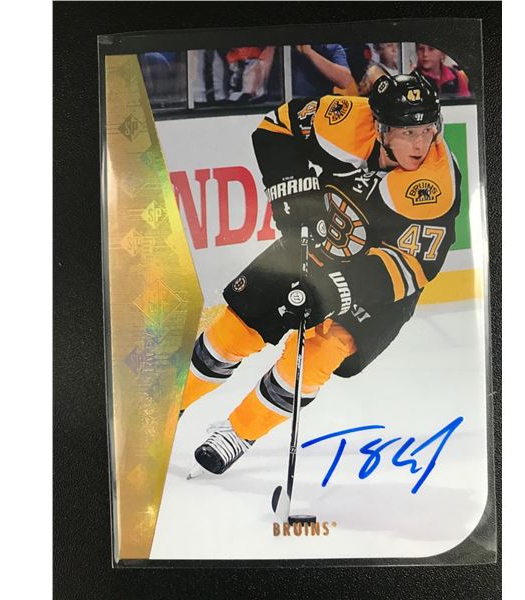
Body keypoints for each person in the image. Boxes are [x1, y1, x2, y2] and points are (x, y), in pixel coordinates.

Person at [180, 71, 462, 476]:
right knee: (232, 333)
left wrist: (336, 289)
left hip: (380, 282)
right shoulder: (345, 119)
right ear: (381, 128)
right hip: (317, 242)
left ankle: (240, 432)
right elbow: (277, 126)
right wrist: (293, 197)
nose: (420, 144)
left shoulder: (435, 184)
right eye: (407, 132)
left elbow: (412, 264)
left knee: (317, 357)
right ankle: (171, 407)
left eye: (427, 129)